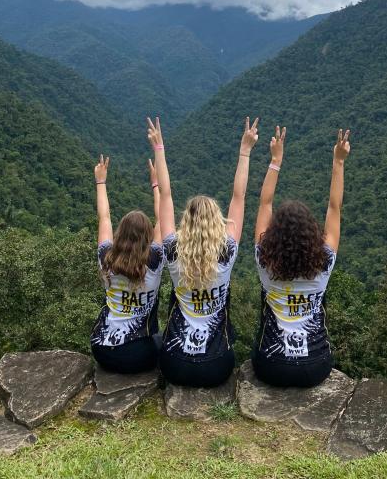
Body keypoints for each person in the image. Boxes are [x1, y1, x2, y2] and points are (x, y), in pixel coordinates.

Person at [148, 116, 257, 387]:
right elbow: (239, 197)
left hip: (175, 364)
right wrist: (245, 151)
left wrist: (159, 150)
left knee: (158, 336)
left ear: (186, 222)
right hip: (216, 367)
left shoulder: (172, 251)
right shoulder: (227, 251)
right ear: (217, 222)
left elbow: (166, 196)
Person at [252, 127, 350, 387]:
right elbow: (334, 207)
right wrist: (338, 161)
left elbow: (264, 205)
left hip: (270, 366)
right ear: (311, 233)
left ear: (273, 234)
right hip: (315, 366)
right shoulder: (324, 262)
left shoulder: (265, 261)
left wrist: (275, 161)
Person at [90, 153, 165, 374]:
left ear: (120, 233)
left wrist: (100, 181)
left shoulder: (107, 257)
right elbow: (162, 218)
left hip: (102, 349)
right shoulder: (154, 259)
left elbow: (104, 218)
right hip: (139, 355)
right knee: (164, 340)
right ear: (148, 237)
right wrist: (156, 183)